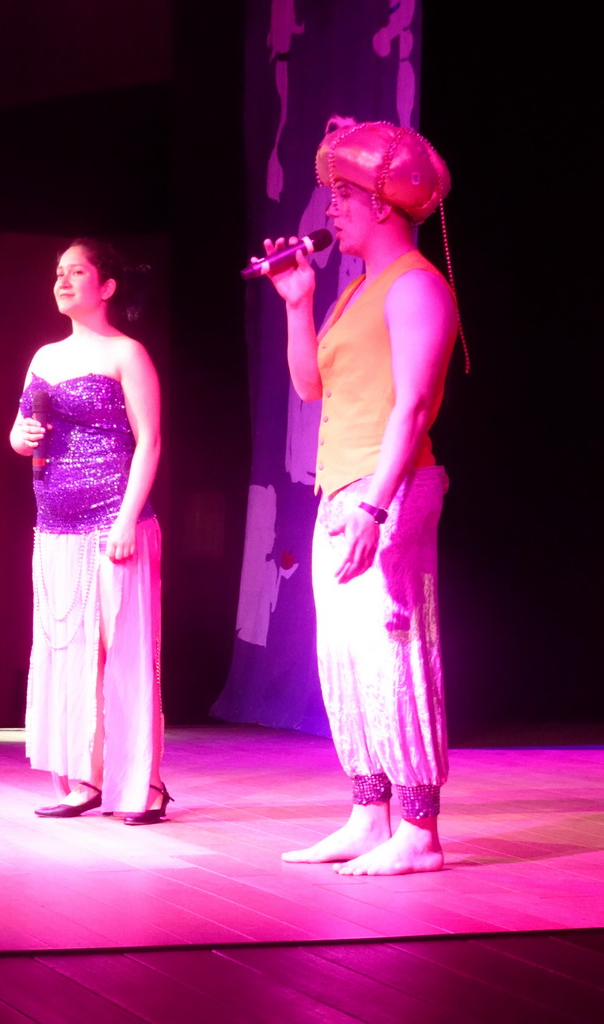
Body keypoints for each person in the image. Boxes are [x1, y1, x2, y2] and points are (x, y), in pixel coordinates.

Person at [261, 119, 458, 874]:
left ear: (384, 204)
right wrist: (296, 302)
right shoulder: (354, 294)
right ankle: (367, 814)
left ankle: (419, 831)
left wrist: (377, 506)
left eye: (343, 195)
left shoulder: (416, 285)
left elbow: (410, 405)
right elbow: (312, 385)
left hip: (391, 485)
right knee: (344, 656)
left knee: (395, 647)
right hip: (341, 489)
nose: (330, 210)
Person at [10, 238, 170, 825]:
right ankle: (85, 779)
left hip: (113, 516)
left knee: (122, 650)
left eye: (77, 271)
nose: (63, 280)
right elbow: (22, 428)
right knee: (67, 649)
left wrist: (127, 518)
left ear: (106, 287)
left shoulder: (128, 353)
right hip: (54, 520)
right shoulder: (44, 357)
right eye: (58, 272)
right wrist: (18, 439)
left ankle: (144, 786)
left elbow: (148, 441)